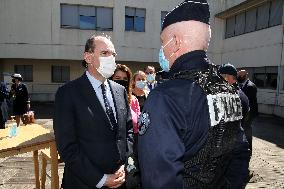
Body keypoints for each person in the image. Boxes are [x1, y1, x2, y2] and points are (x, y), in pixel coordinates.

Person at [137, 1, 250, 188]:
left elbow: (159, 179)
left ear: (176, 42)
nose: (162, 49)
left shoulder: (165, 97)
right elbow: (241, 153)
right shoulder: (230, 90)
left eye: (162, 42)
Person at [54, 35, 133, 189]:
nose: (111, 58)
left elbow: (128, 131)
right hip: (84, 182)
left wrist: (126, 164)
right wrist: (101, 179)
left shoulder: (120, 90)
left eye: (113, 54)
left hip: (120, 179)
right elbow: (67, 147)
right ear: (88, 57)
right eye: (105, 53)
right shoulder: (67, 93)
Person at [111, 64, 140, 134]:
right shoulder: (107, 99)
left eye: (125, 79)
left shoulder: (133, 100)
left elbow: (138, 123)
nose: (121, 81)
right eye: (117, 78)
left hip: (133, 140)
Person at [237, 69, 258, 154]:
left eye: (240, 76)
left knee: (247, 132)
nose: (239, 77)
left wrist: (246, 116)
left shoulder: (250, 86)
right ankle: (246, 149)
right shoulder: (244, 85)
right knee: (245, 131)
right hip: (247, 114)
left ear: (246, 76)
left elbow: (248, 103)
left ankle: (248, 150)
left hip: (249, 114)